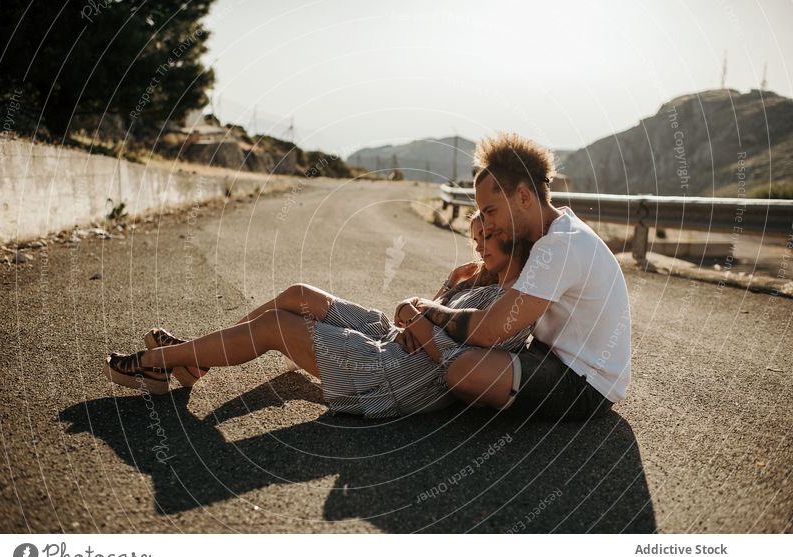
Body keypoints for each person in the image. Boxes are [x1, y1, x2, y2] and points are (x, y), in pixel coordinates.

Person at [102, 214, 535, 419]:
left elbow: (454, 360)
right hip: (393, 341)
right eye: (476, 237)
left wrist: (419, 321)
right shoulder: (477, 277)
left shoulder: (518, 303)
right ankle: (195, 361)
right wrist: (412, 307)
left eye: (490, 237)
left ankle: (159, 364)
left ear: (517, 240)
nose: (479, 246)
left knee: (276, 328)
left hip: (395, 374)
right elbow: (418, 315)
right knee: (298, 295)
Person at [407, 131, 631, 422]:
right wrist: (451, 286)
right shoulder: (547, 234)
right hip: (547, 354)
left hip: (586, 381)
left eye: (490, 211)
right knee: (461, 360)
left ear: (523, 196)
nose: (486, 225)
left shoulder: (560, 245)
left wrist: (429, 312)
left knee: (464, 370)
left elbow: (489, 330)